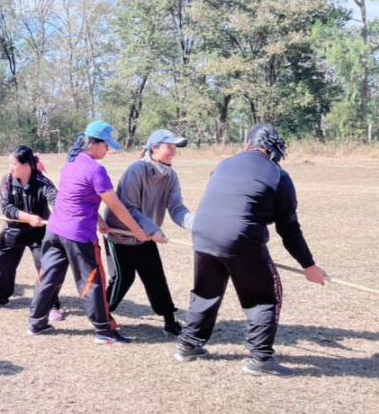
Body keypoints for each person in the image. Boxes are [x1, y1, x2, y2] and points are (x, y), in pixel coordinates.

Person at [175, 123, 329, 377]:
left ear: (248, 144)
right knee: (264, 297)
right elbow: (289, 228)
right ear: (275, 150)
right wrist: (309, 265)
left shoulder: (224, 164)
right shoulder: (278, 175)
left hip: (203, 234)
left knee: (206, 292)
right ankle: (260, 358)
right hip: (240, 238)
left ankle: (188, 345)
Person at [28, 121, 150, 343]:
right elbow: (116, 206)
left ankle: (36, 323)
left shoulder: (71, 163)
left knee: (48, 276)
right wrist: (138, 231)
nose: (108, 150)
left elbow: (78, 197)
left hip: (55, 231)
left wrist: (99, 220)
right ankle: (104, 331)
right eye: (106, 145)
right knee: (92, 282)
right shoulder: (96, 169)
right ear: (94, 144)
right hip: (79, 236)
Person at [104, 129, 194, 339]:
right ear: (154, 148)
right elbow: (129, 207)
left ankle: (170, 321)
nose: (174, 151)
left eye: (175, 147)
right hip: (121, 235)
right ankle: (102, 316)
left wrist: (197, 225)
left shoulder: (170, 175)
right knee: (123, 278)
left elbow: (177, 208)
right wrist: (152, 229)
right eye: (169, 146)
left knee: (155, 277)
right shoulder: (136, 170)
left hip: (145, 236)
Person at [0, 145, 63, 320]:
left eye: (14, 164)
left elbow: (56, 201)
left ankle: (52, 305)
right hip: (13, 230)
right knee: (2, 262)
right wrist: (28, 217)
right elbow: (6, 208)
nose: (10, 168)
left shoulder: (43, 182)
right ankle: (0, 298)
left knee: (46, 266)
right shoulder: (7, 180)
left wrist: (58, 214)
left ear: (27, 165)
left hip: (40, 233)